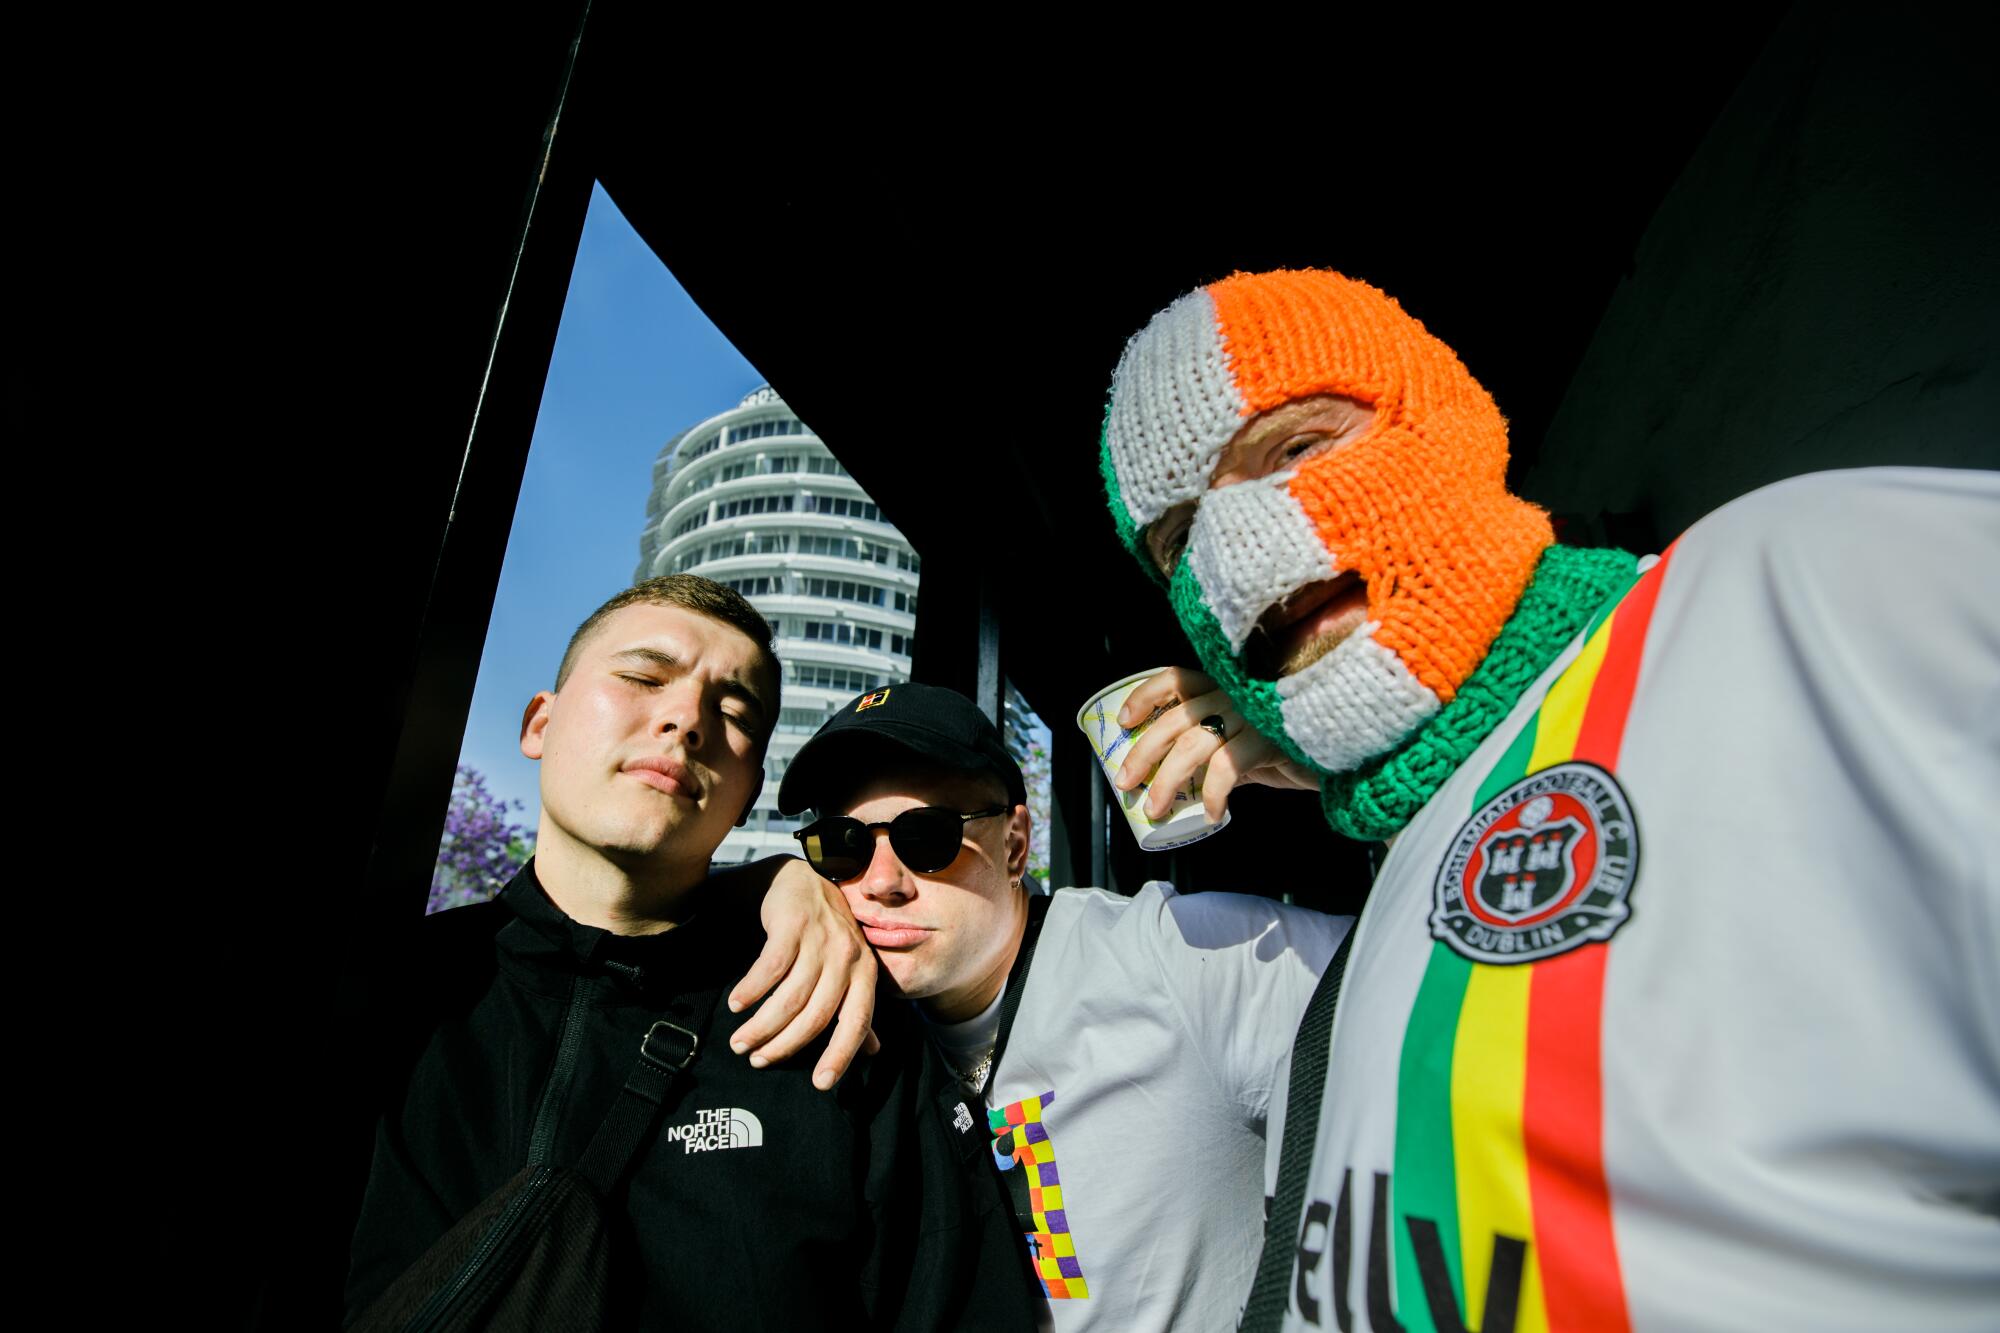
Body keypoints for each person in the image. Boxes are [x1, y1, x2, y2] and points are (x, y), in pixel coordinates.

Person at [1096, 268, 2000, 1329]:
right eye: (1180, 546)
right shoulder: (1400, 851)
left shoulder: (1802, 587)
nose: (1239, 564)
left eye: (1296, 448)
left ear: (1442, 416)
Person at [344, 576, 1036, 1330]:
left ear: (748, 795)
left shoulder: (840, 1024)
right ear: (540, 722)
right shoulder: (393, 994)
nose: (685, 718)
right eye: (643, 677)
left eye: (734, 711)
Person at [774, 681, 1353, 1330]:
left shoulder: (1172, 956)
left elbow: (1443, 976)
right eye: (842, 845)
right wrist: (764, 881)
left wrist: (1343, 773)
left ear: (1016, 845)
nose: (880, 882)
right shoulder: (839, 1020)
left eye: (927, 835)